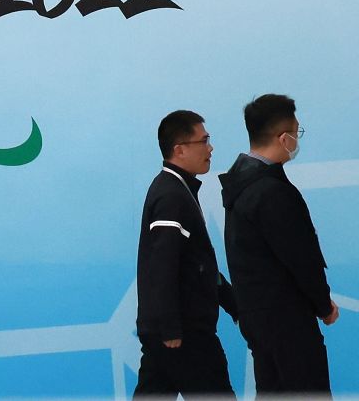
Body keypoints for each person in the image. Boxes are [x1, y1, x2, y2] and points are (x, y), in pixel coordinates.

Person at [220, 93, 338, 395]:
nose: (297, 140)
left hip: (258, 319)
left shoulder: (238, 186)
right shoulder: (272, 193)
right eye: (296, 132)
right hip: (288, 322)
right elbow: (301, 258)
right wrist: (323, 304)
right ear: (282, 137)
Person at [133, 110, 237, 398]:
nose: (210, 148)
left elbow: (196, 264)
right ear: (179, 149)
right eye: (204, 141)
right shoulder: (171, 197)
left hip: (168, 333)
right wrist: (170, 328)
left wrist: (233, 303)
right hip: (184, 335)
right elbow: (163, 265)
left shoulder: (179, 190)